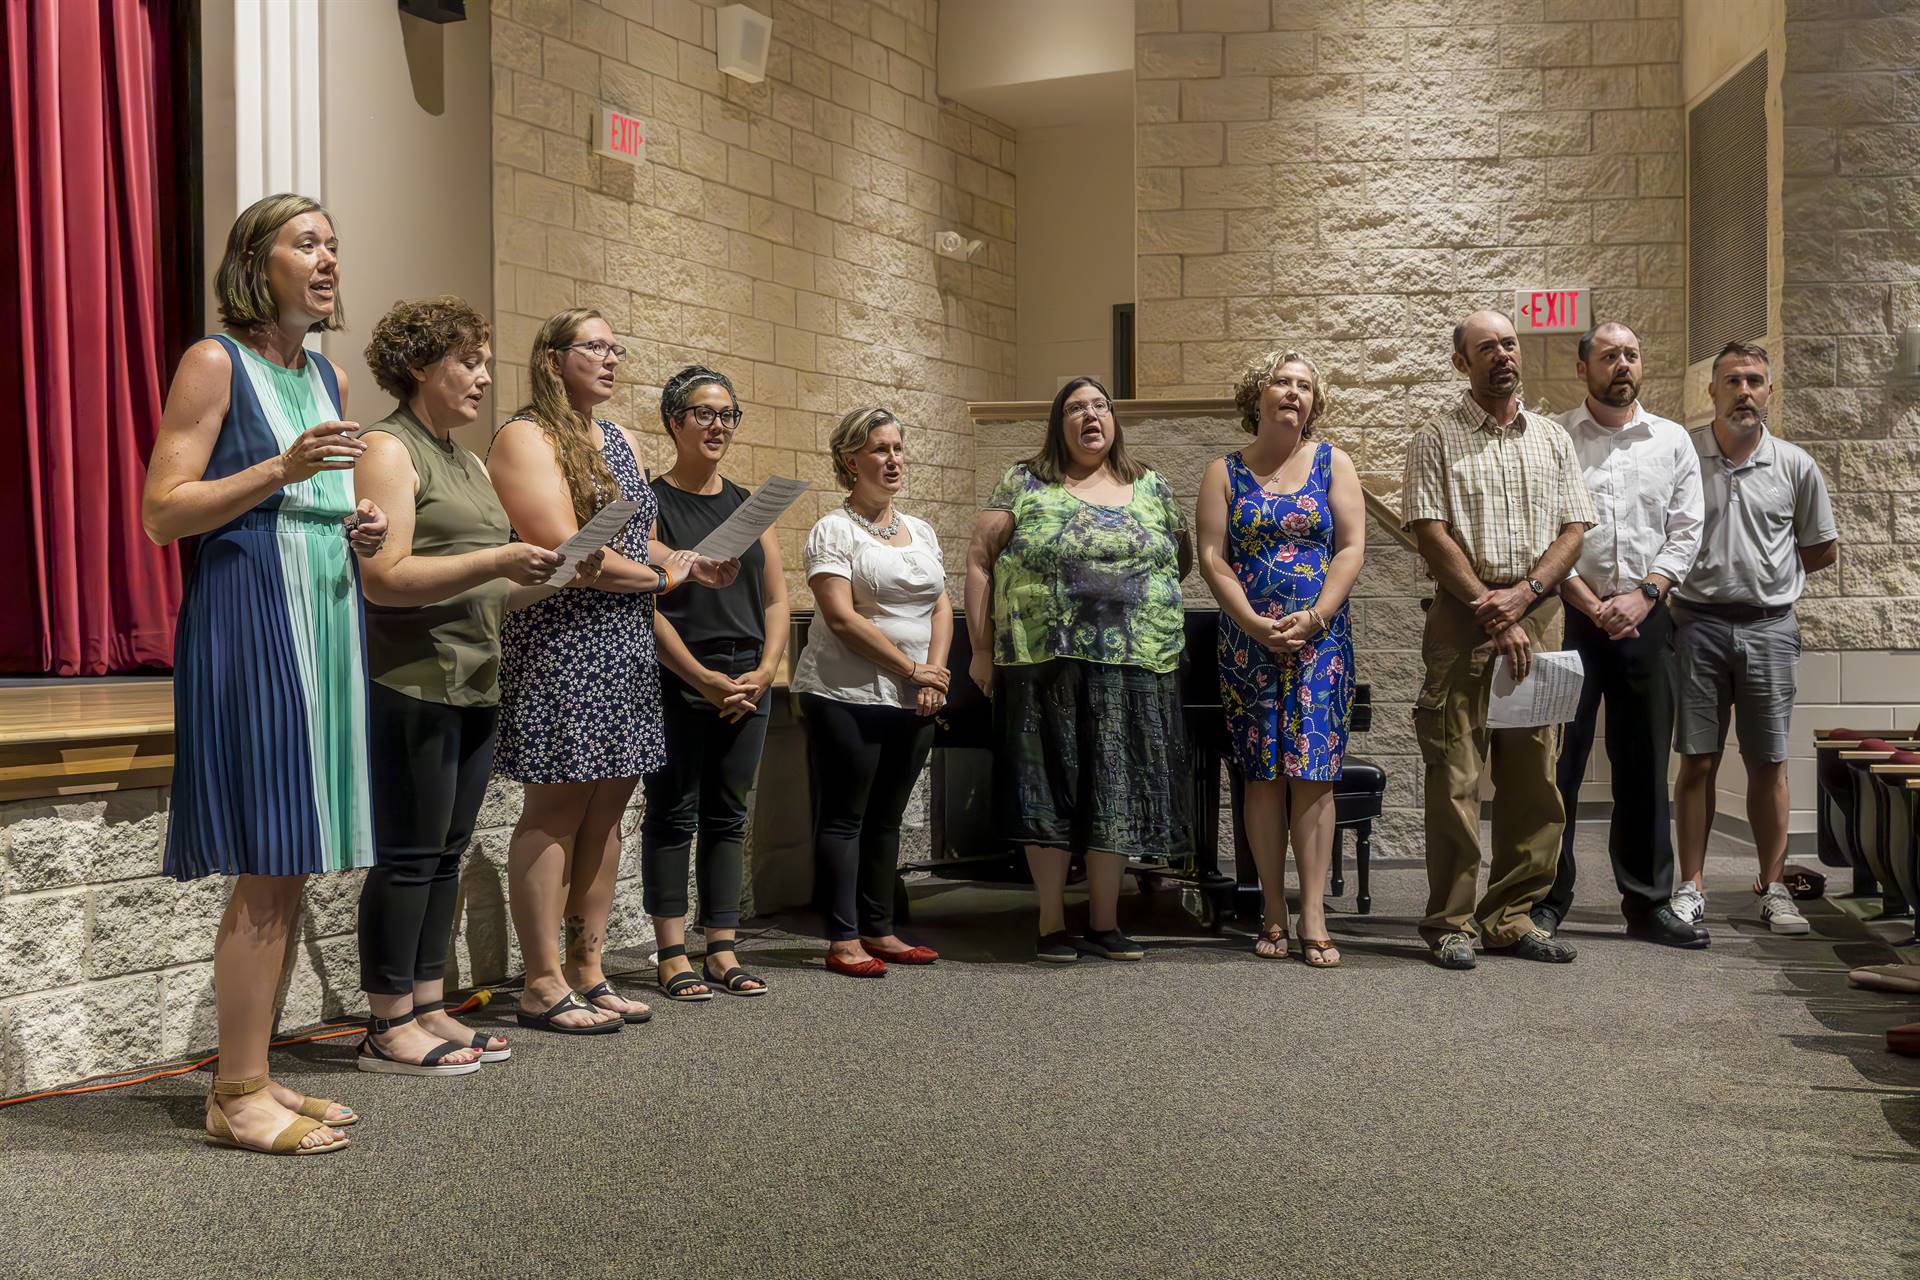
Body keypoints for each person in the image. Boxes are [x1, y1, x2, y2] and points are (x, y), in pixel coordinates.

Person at [143, 193, 386, 1153]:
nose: (327, 259)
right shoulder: (215, 362)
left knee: (288, 865)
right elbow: (164, 512)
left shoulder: (322, 371)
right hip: (253, 622)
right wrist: (282, 474)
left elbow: (313, 488)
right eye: (306, 244)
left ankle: (252, 1074)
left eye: (334, 243)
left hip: (324, 617)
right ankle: (234, 1091)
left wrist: (352, 520)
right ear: (257, 261)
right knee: (268, 852)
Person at [353, 296, 599, 1073]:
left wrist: (558, 575)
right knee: (408, 854)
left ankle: (428, 1004)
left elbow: (495, 589)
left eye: (485, 361)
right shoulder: (390, 450)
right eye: (468, 361)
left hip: (476, 678)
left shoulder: (463, 459)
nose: (483, 377)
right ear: (421, 367)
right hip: (412, 680)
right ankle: (387, 1022)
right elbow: (384, 579)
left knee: (449, 850)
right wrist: (497, 560)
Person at [490, 310, 714, 1033]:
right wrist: (658, 578)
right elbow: (561, 545)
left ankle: (589, 971)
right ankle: (542, 980)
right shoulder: (526, 435)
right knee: (554, 811)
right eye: (595, 347)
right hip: (560, 643)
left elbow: (632, 536)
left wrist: (685, 559)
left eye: (617, 348)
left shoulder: (617, 436)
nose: (612, 359)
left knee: (609, 810)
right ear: (553, 359)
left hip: (622, 642)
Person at [964, 376, 1194, 963]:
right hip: (1042, 661)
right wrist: (981, 649)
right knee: (1048, 789)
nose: (1090, 416)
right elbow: (979, 562)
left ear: (1114, 419)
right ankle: (1049, 921)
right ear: (1057, 423)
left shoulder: (1152, 485)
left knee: (1113, 789)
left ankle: (1105, 921)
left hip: (1134, 664)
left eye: (1100, 406)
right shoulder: (1023, 481)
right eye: (1075, 408)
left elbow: (1181, 559)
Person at [1402, 310, 1595, 970]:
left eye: (1508, 343)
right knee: (1455, 776)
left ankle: (1512, 916)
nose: (1501, 355)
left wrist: (1526, 596)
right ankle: (1453, 921)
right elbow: (1430, 532)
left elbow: (1574, 529)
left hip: (1538, 620)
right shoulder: (1435, 438)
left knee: (1535, 778)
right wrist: (1492, 607)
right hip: (1463, 621)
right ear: (1463, 363)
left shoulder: (1552, 439)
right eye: (1485, 348)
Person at [1533, 322, 1707, 949]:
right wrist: (1581, 594)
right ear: (1584, 369)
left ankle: (1648, 902)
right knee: (1563, 765)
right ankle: (1548, 897)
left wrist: (1646, 594)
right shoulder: (1553, 437)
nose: (1622, 365)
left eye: (1631, 354)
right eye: (1609, 356)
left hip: (1648, 615)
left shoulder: (1672, 441)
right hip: (1571, 616)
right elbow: (1544, 526)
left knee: (1644, 762)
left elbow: (1687, 527)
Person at [1196, 351, 1364, 968]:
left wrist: (1316, 617)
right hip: (1247, 640)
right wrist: (1252, 624)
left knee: (1313, 774)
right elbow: (1213, 557)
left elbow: (1351, 549)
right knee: (1262, 773)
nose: (1293, 393)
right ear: (1256, 396)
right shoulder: (1224, 471)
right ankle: (1271, 906)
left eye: (1304, 386)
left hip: (1320, 640)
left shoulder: (1332, 463)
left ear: (1314, 402)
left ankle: (1312, 910)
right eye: (1281, 382)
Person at [1671, 342, 1838, 935]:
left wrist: (1767, 573)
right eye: (1733, 380)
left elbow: (1821, 547)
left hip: (1770, 628)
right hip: (1695, 626)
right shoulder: (1683, 456)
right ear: (1711, 391)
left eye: (1756, 381)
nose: (1745, 391)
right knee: (1698, 760)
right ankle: (1690, 887)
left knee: (1769, 762)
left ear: (1770, 391)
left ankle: (1773, 888)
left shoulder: (1795, 465)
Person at [643, 366, 790, 1001]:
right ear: (675, 421)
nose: (719, 426)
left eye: (728, 415)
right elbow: (643, 605)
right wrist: (700, 677)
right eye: (705, 413)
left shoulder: (749, 504)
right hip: (681, 675)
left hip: (748, 679)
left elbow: (779, 598)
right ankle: (671, 954)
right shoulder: (649, 503)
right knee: (673, 812)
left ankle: (722, 949)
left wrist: (765, 671)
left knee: (729, 815)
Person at [792, 407, 953, 978]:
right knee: (845, 818)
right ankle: (841, 937)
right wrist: (912, 670)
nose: (893, 460)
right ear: (849, 460)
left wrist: (933, 674)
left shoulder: (922, 530)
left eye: (898, 449)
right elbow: (839, 617)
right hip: (845, 694)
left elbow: (939, 604)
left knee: (888, 818)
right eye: (880, 450)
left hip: (914, 697)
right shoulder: (833, 530)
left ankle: (880, 929)